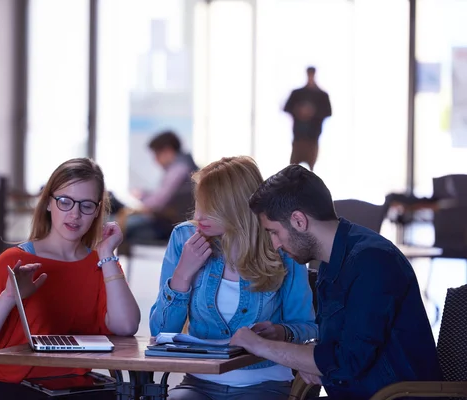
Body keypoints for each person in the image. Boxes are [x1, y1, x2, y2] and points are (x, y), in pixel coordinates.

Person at [231, 164, 443, 400]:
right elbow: (338, 352)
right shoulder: (333, 261)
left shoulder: (372, 261)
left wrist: (259, 346)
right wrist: (309, 358)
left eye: (274, 232)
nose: (275, 245)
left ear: (299, 221)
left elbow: (347, 361)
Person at [0, 158, 141, 400]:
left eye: (86, 205)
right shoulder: (15, 259)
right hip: (6, 382)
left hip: (71, 384)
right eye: (65, 202)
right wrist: (9, 297)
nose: (75, 214)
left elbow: (127, 326)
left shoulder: (100, 264)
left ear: (97, 211)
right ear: (48, 203)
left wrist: (107, 255)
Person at [149, 156, 318, 400]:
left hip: (266, 384)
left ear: (238, 206)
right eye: (199, 203)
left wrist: (281, 332)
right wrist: (183, 275)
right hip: (197, 384)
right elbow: (161, 333)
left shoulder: (283, 247)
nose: (198, 214)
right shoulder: (184, 238)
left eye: (210, 206)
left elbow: (308, 327)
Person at [123, 130, 198, 243]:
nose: (155, 160)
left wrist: (139, 202)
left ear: (167, 151)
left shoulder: (178, 170)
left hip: (169, 226)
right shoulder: (185, 165)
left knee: (119, 225)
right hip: (176, 224)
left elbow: (158, 202)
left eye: (156, 155)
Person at [283, 66, 332, 171]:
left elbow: (328, 112)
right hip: (298, 138)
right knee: (292, 170)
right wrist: (299, 110)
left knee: (311, 170)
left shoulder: (322, 95)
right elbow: (287, 108)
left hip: (313, 138)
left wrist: (313, 112)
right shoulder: (297, 94)